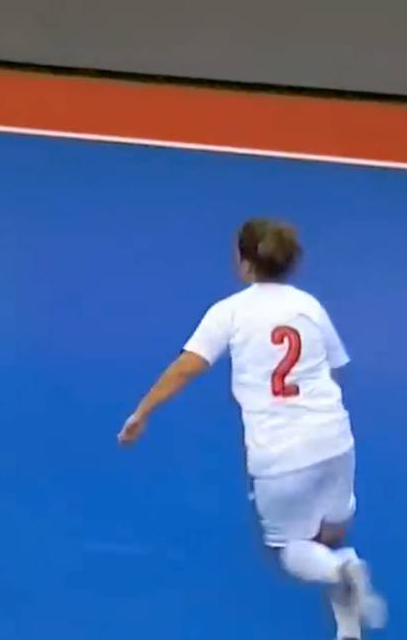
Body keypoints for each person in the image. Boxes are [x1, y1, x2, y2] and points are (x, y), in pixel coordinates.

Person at [117, 219, 387, 639]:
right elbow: (338, 368)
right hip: (335, 440)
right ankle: (348, 629)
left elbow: (187, 367)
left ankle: (343, 569)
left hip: (280, 456)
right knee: (331, 532)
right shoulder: (309, 306)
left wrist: (141, 413)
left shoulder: (229, 312)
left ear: (244, 264)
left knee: (291, 550)